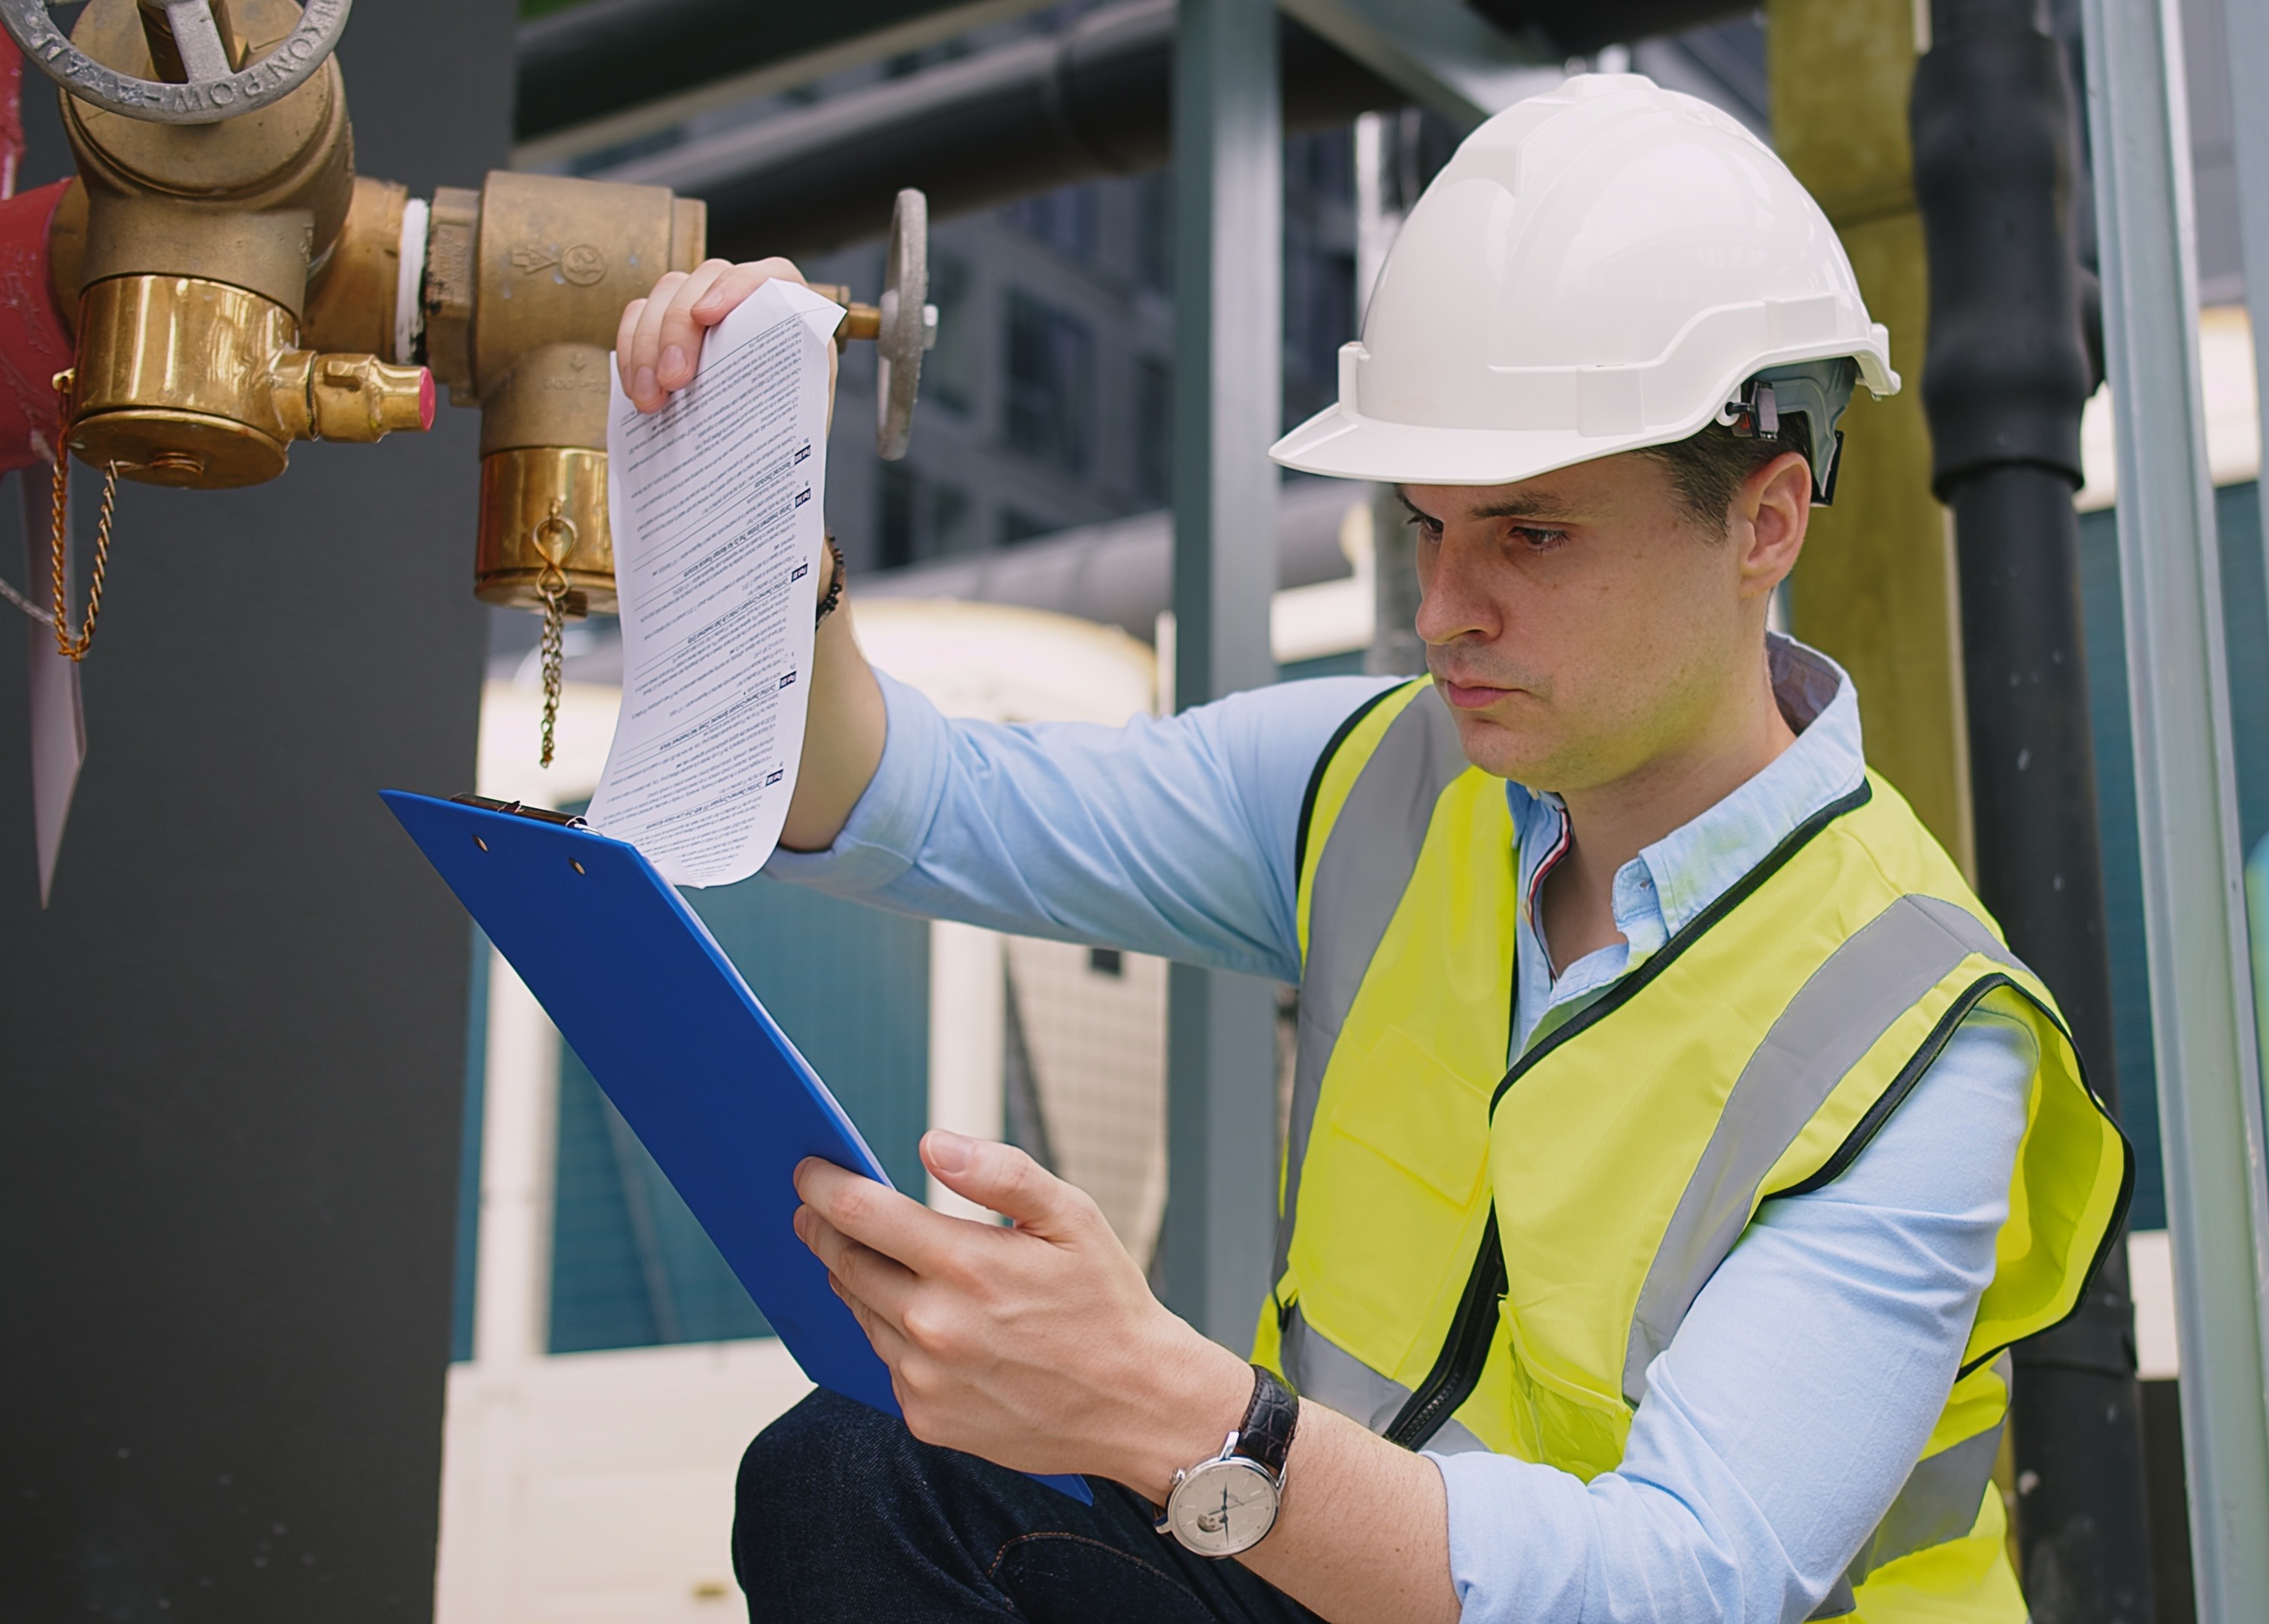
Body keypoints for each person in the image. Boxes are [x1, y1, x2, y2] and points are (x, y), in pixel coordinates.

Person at [616, 76, 2126, 1624]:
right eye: (1429, 524)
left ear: (1767, 522)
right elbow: (917, 807)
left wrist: (1174, 1410)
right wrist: (765, 530)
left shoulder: (1920, 1028)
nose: (1444, 609)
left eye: (1532, 536)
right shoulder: (1387, 781)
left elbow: (1684, 1583)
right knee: (863, 1467)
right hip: (1351, 1578)